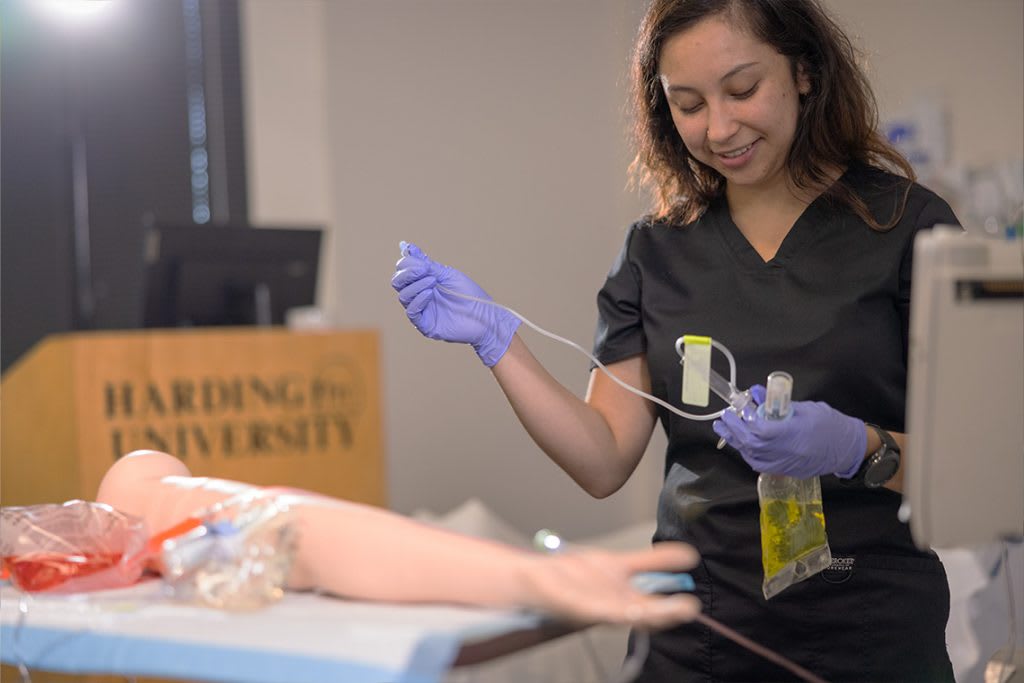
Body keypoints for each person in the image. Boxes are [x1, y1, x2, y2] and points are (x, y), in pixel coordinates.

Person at [391, 0, 960, 680]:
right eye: (688, 104)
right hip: (699, 638)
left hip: (873, 638)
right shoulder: (656, 251)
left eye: (742, 90)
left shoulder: (907, 228)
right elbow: (603, 458)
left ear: (804, 70)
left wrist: (854, 449)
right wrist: (497, 342)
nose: (720, 128)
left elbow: (978, 475)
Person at [94, 449, 700, 629]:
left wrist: (527, 575)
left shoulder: (136, 482)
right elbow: (285, 533)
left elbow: (281, 530)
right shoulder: (134, 486)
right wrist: (527, 577)